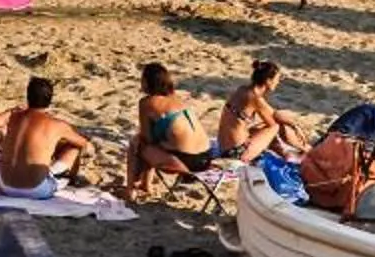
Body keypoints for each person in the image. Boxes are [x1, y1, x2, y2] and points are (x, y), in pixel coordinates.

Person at [125, 62, 217, 196]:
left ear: (146, 82)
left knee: (136, 142)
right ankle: (146, 186)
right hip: (206, 158)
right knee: (154, 143)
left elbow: (146, 138)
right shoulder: (177, 99)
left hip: (184, 162)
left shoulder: (147, 102)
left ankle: (130, 191)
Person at [0, 76, 92, 200]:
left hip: (5, 186)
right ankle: (72, 180)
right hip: (35, 190)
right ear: (50, 99)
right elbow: (86, 146)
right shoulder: (56, 124)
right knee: (73, 148)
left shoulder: (13, 118)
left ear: (28, 96)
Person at [219, 60, 311, 162]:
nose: (278, 82)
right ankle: (304, 150)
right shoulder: (255, 98)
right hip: (235, 153)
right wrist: (297, 133)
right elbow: (275, 122)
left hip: (224, 147)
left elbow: (274, 113)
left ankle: (288, 153)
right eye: (277, 79)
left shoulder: (243, 90)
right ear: (268, 81)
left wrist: (295, 125)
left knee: (261, 128)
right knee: (275, 126)